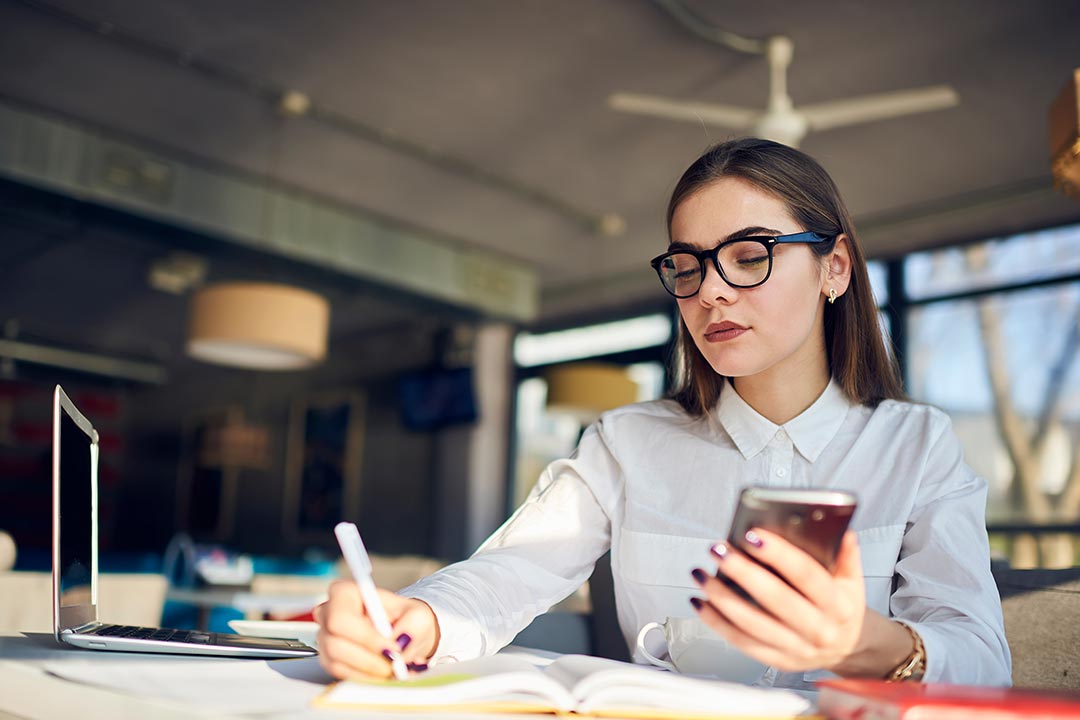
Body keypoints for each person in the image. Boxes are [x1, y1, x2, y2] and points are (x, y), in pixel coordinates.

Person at [315, 138, 1012, 690]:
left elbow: (983, 661)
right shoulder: (626, 443)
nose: (710, 292)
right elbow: (513, 570)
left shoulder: (916, 446)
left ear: (834, 268)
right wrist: (421, 620)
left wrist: (867, 642)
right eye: (688, 266)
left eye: (749, 256)